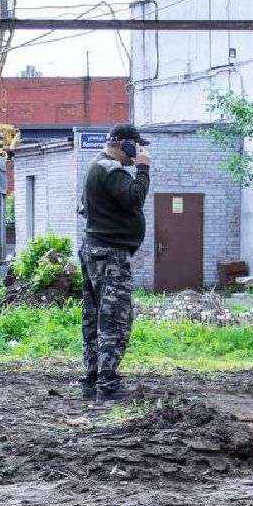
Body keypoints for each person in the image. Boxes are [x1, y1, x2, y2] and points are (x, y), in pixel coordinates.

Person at [78, 123, 151, 400]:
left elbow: (83, 208)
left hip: (96, 250)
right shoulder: (111, 168)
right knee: (114, 318)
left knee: (94, 317)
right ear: (125, 144)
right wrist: (143, 169)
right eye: (136, 146)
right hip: (109, 255)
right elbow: (135, 197)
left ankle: (92, 379)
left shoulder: (97, 166)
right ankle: (107, 384)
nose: (139, 151)